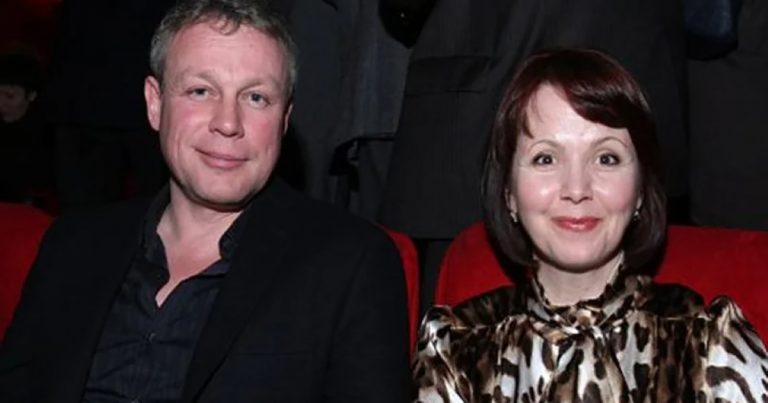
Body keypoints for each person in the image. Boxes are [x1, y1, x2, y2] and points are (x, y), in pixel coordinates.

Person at [0, 0, 410, 401]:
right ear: (155, 103)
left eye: (256, 97)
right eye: (201, 91)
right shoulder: (73, 244)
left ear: (284, 119)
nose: (228, 123)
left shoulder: (350, 263)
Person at [412, 48, 768, 402]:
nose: (577, 189)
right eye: (545, 158)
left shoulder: (706, 342)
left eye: (606, 158)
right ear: (509, 194)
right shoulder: (457, 347)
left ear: (641, 191)